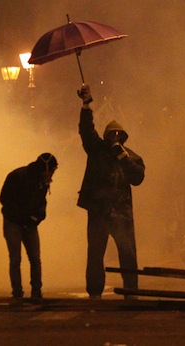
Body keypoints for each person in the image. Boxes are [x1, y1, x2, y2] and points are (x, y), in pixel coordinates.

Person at [76, 84, 145, 299]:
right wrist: (86, 105)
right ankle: (95, 293)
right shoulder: (97, 150)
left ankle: (131, 292)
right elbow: (86, 131)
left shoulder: (131, 156)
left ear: (123, 137)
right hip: (99, 211)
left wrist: (122, 157)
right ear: (106, 136)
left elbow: (138, 178)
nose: (115, 137)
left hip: (122, 214)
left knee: (128, 254)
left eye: (118, 135)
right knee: (96, 254)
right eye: (112, 134)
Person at [0, 153, 58, 299]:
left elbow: (41, 203)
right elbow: (5, 199)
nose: (51, 174)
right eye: (51, 170)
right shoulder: (18, 177)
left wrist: (38, 216)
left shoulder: (40, 182)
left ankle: (35, 292)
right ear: (45, 167)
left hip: (27, 223)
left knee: (33, 258)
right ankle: (18, 293)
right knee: (17, 258)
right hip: (14, 222)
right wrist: (27, 217)